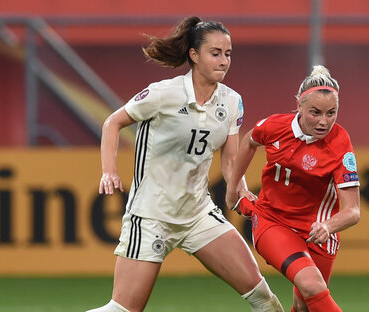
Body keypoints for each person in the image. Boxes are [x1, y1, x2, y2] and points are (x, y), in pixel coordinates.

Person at [87, 16, 284, 312]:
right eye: (215, 53)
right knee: (123, 310)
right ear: (194, 55)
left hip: (198, 214)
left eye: (228, 54)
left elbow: (230, 162)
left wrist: (240, 192)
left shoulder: (232, 102)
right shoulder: (163, 93)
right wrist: (108, 171)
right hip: (152, 215)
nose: (223, 61)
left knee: (264, 300)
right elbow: (112, 123)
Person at [226, 65, 361, 312]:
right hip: (273, 222)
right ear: (299, 106)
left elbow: (353, 211)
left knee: (304, 306)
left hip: (318, 232)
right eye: (315, 113)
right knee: (312, 285)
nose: (324, 121)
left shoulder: (341, 144)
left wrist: (328, 226)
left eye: (331, 113)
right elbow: (249, 142)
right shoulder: (275, 126)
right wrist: (234, 187)